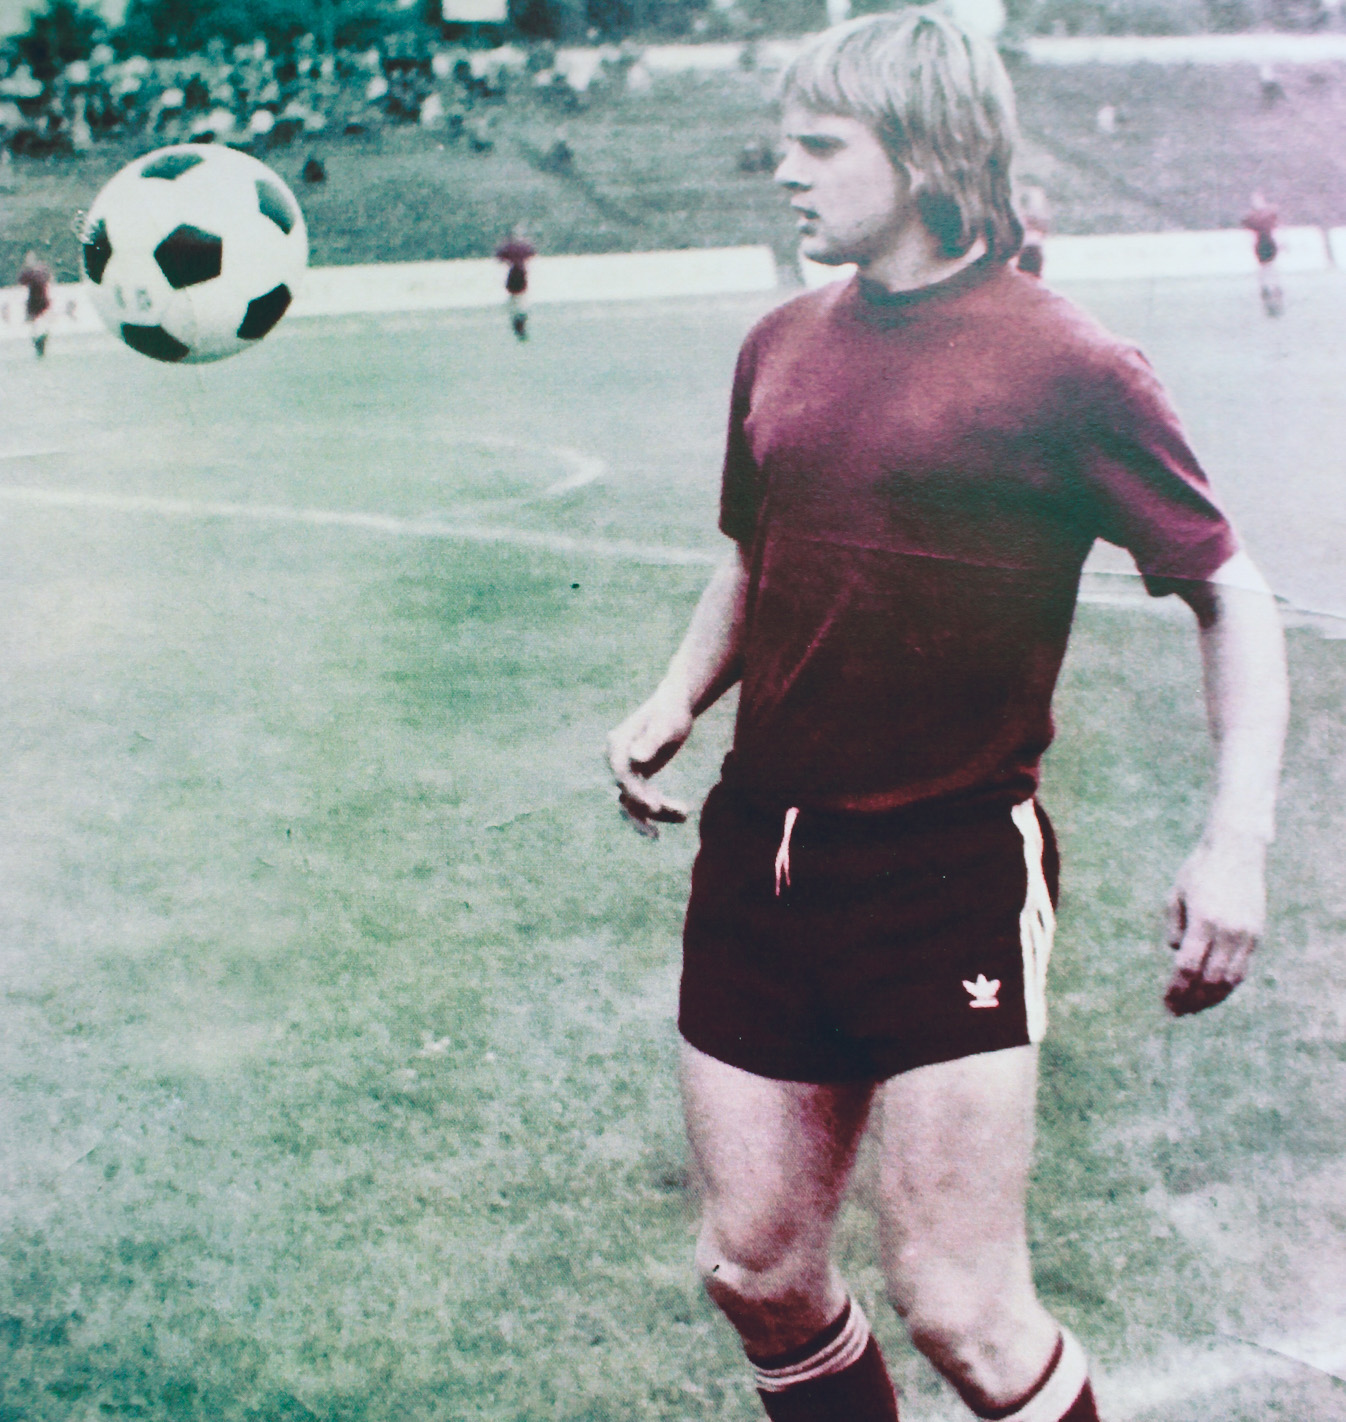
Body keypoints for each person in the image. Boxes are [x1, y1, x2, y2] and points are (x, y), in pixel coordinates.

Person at [606, 12, 1289, 1422]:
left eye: (818, 145)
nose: (782, 170)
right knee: (755, 1268)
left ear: (921, 153)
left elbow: (1231, 597)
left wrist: (1234, 843)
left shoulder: (1069, 365)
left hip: (946, 865)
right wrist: (674, 696)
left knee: (962, 1310)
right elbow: (751, 552)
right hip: (759, 856)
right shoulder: (778, 342)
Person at [1242, 192, 1283, 317]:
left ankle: (1268, 286)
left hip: (1263, 244)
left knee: (1265, 267)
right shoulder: (1268, 214)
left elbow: (1246, 224)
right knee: (1268, 266)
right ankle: (1272, 286)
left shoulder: (1254, 217)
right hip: (1267, 243)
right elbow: (1275, 223)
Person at [494, 226, 536, 342]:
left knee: (515, 301)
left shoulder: (509, 249)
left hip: (515, 276)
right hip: (519, 275)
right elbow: (531, 253)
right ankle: (520, 321)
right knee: (519, 300)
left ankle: (518, 322)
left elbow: (500, 256)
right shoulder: (523, 249)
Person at [17, 250, 53, 358]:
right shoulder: (30, 272)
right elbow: (22, 281)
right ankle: (38, 342)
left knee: (41, 323)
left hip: (40, 301)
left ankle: (41, 342)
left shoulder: (39, 271)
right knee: (35, 325)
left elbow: (45, 279)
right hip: (34, 301)